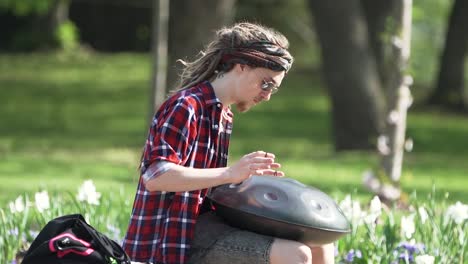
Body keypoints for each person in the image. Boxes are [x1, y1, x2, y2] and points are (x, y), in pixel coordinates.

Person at [122, 22, 335, 264]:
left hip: (203, 227)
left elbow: (206, 187)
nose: (266, 96)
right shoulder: (187, 106)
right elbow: (156, 177)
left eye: (273, 89)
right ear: (241, 67)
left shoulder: (223, 114)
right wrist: (230, 173)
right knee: (296, 255)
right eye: (266, 83)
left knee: (320, 245)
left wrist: (247, 185)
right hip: (171, 239)